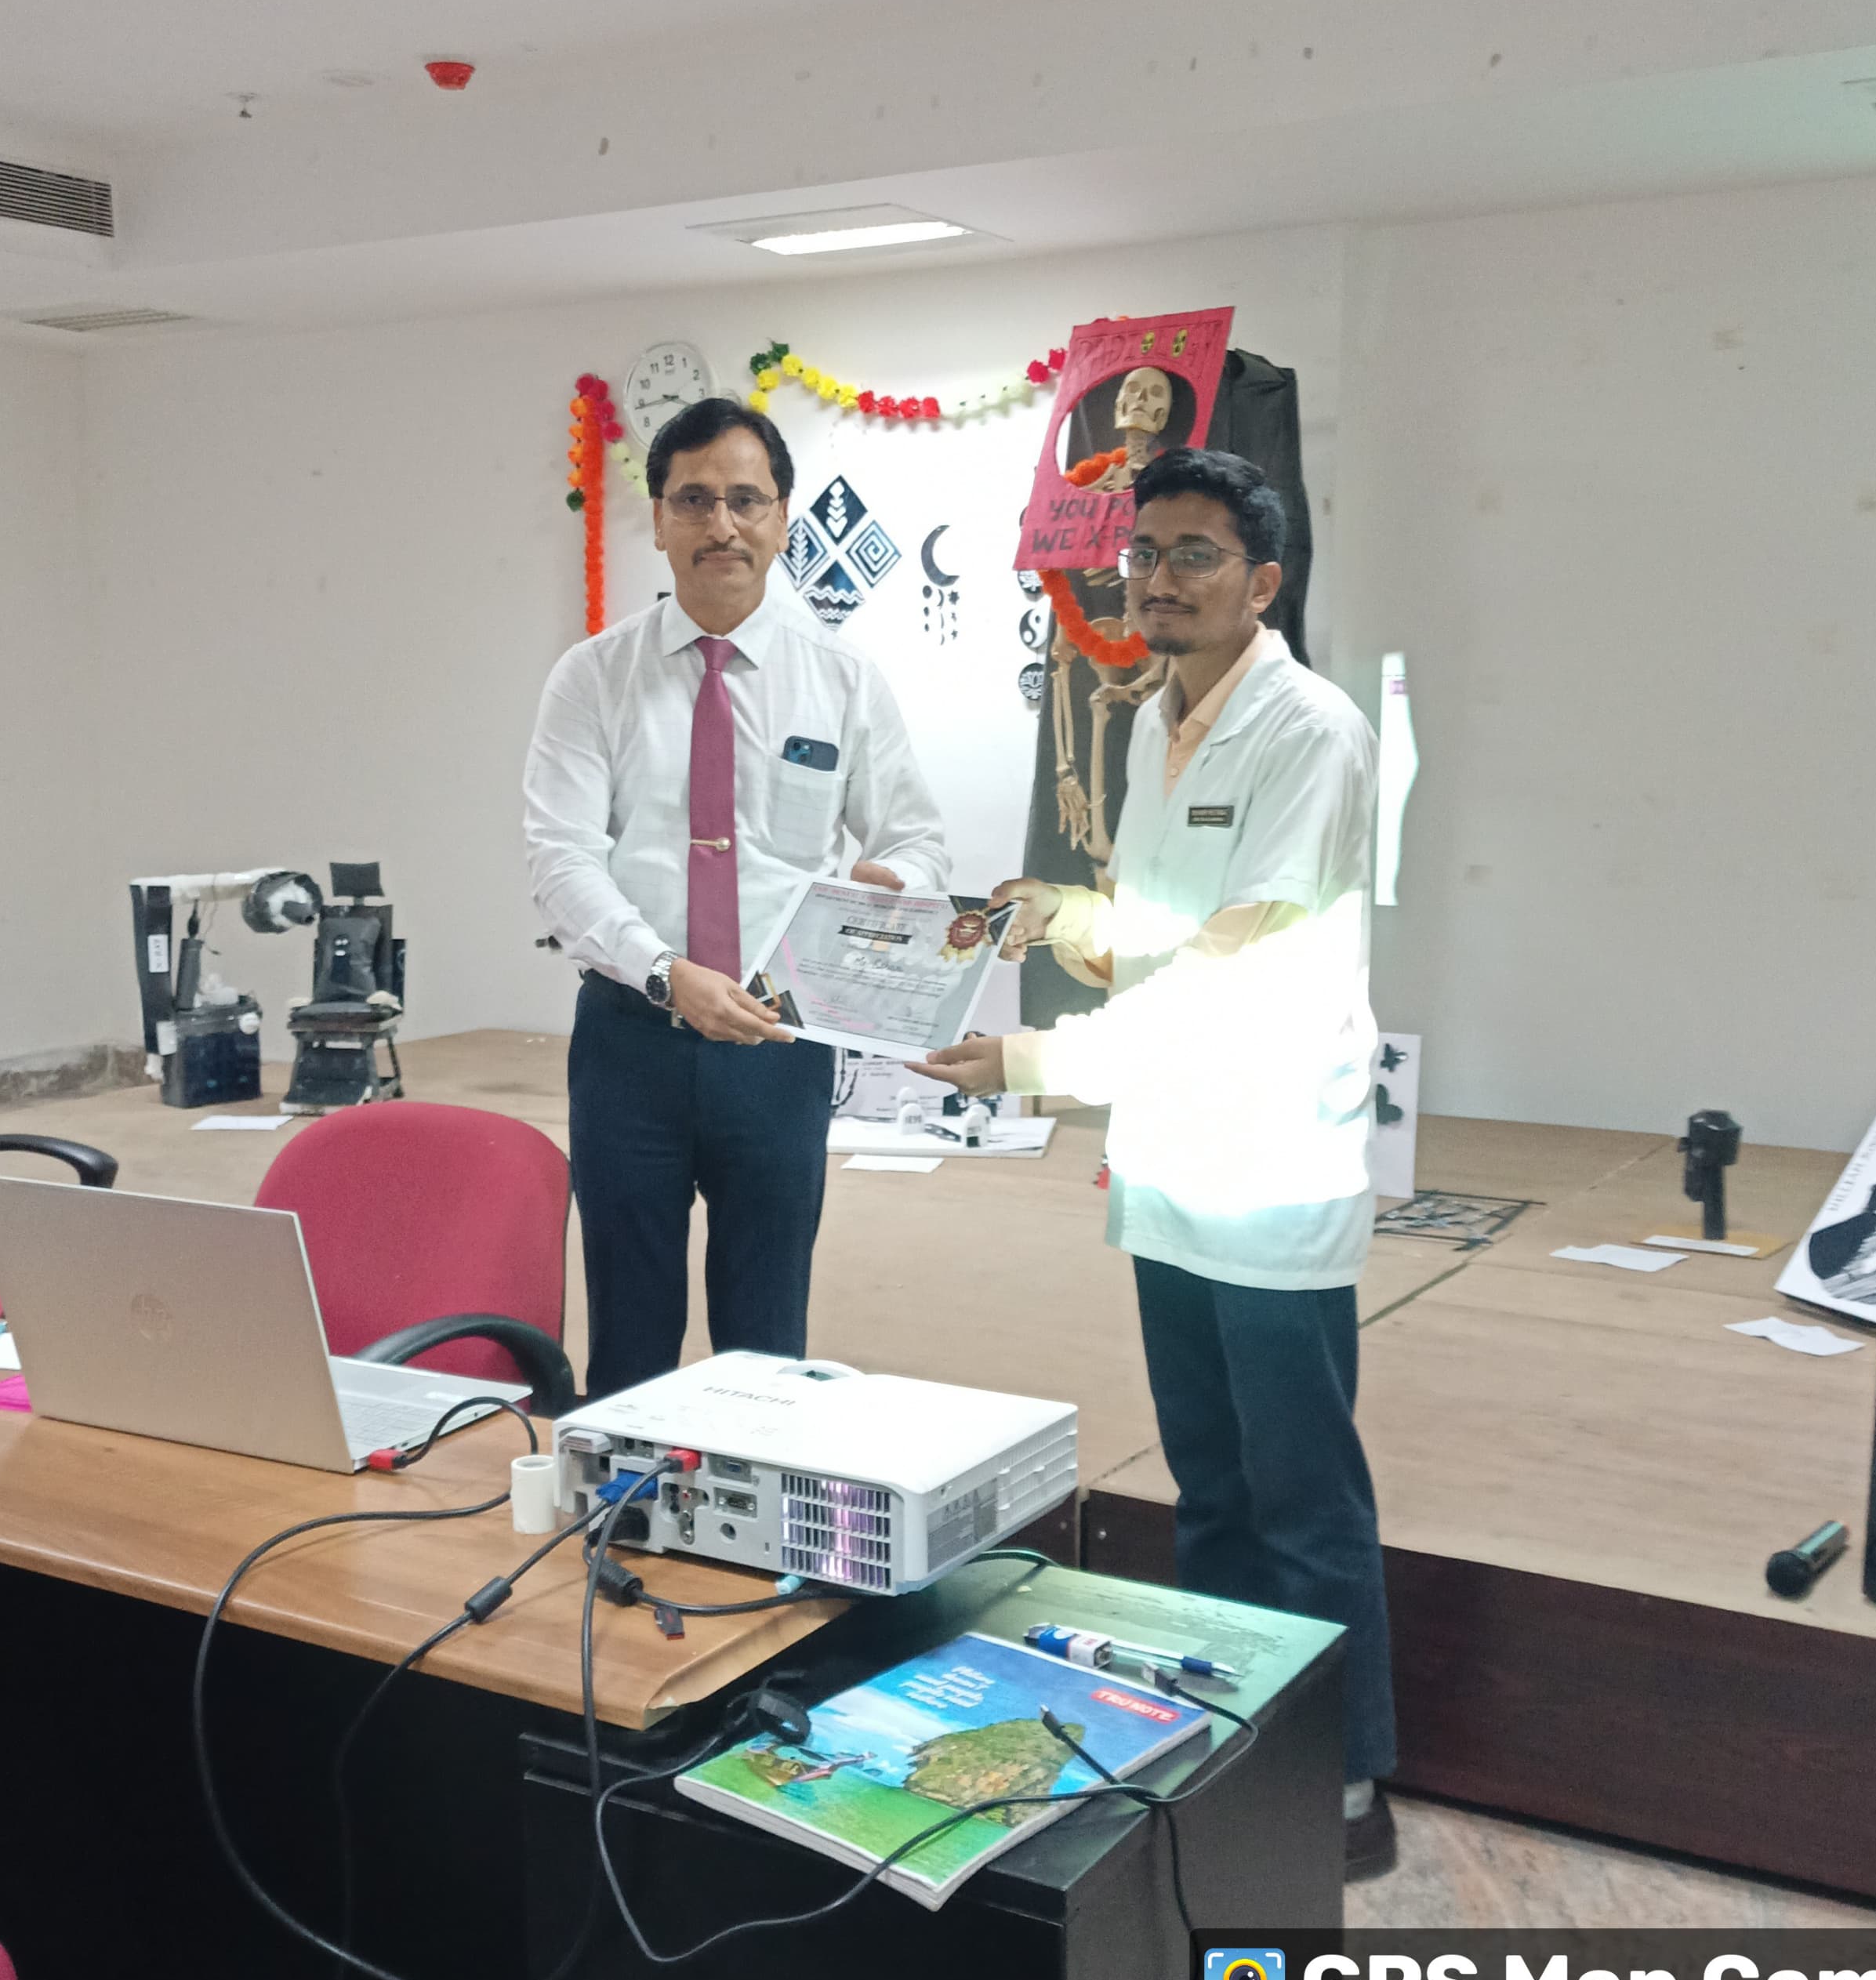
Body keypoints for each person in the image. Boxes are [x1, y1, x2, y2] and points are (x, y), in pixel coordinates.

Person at [924, 447, 1397, 1880]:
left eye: (1194, 555)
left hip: (1271, 1173)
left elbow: (1235, 973)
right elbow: (1159, 926)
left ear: (1263, 583)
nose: (1157, 580)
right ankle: (1226, 1734)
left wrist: (1034, 1063)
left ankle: (1342, 1786)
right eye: (1142, 555)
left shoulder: (1309, 733)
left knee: (1300, 1497)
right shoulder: (1154, 727)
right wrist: (1060, 918)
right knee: (1207, 1487)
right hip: (1170, 1165)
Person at [524, 394, 949, 1397]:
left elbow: (916, 839)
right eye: (694, 499)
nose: (721, 523)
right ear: (658, 517)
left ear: (782, 514)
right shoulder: (592, 679)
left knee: (765, 1340)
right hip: (628, 1039)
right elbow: (561, 859)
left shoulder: (841, 679)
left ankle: (752, 1499)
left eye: (745, 499)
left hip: (778, 1046)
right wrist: (665, 973)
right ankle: (625, 1492)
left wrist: (895, 888)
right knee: (628, 1335)